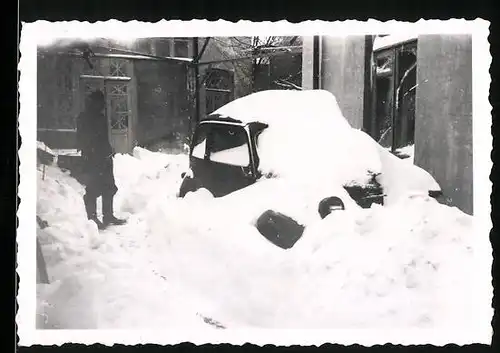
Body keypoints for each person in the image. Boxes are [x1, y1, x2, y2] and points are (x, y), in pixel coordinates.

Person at [76, 90, 126, 230]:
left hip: (105, 157)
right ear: (94, 103)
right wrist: (90, 153)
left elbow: (103, 137)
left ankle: (108, 216)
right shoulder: (83, 118)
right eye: (100, 102)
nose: (103, 105)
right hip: (92, 159)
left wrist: (109, 150)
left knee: (109, 187)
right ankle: (92, 219)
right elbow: (82, 139)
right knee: (92, 189)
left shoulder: (100, 117)